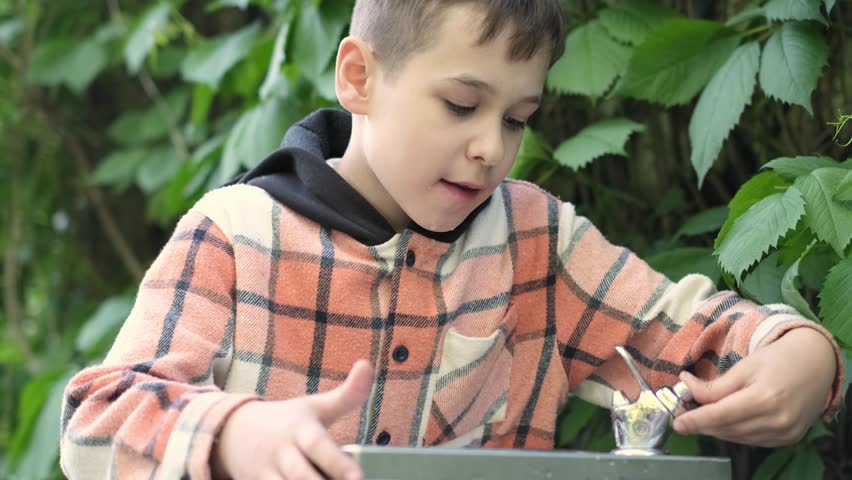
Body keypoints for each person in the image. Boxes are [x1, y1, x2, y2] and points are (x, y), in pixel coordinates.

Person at [59, 1, 844, 479]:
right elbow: (94, 423)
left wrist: (803, 356)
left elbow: (695, 338)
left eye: (517, 119)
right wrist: (232, 435)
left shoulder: (537, 243)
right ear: (359, 78)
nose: (490, 148)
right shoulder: (234, 233)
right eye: (462, 104)